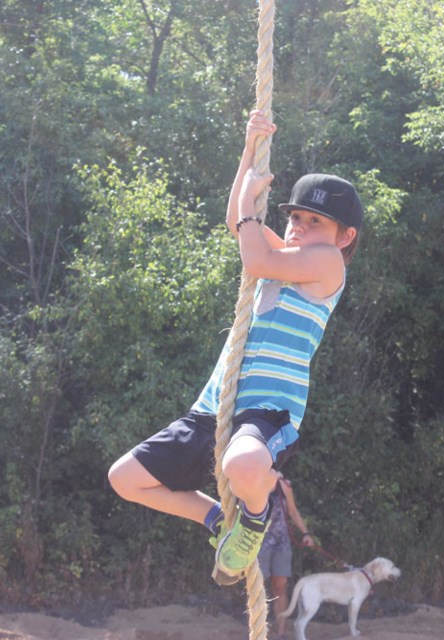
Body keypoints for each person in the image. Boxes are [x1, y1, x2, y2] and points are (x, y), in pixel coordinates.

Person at [107, 109, 363, 586]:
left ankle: (254, 517)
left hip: (267, 411)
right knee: (126, 478)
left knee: (242, 463)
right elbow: (237, 223)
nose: (300, 227)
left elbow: (254, 254)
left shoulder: (328, 265)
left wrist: (251, 201)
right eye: (297, 218)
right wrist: (248, 150)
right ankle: (218, 522)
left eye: (316, 222)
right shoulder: (285, 257)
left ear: (344, 237)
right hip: (213, 409)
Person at [260, 475, 314, 639]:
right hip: (258, 543)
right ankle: (257, 630)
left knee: (280, 585)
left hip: (281, 543)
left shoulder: (284, 485)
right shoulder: (253, 481)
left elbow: (292, 511)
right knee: (257, 587)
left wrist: (305, 533)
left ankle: (281, 632)